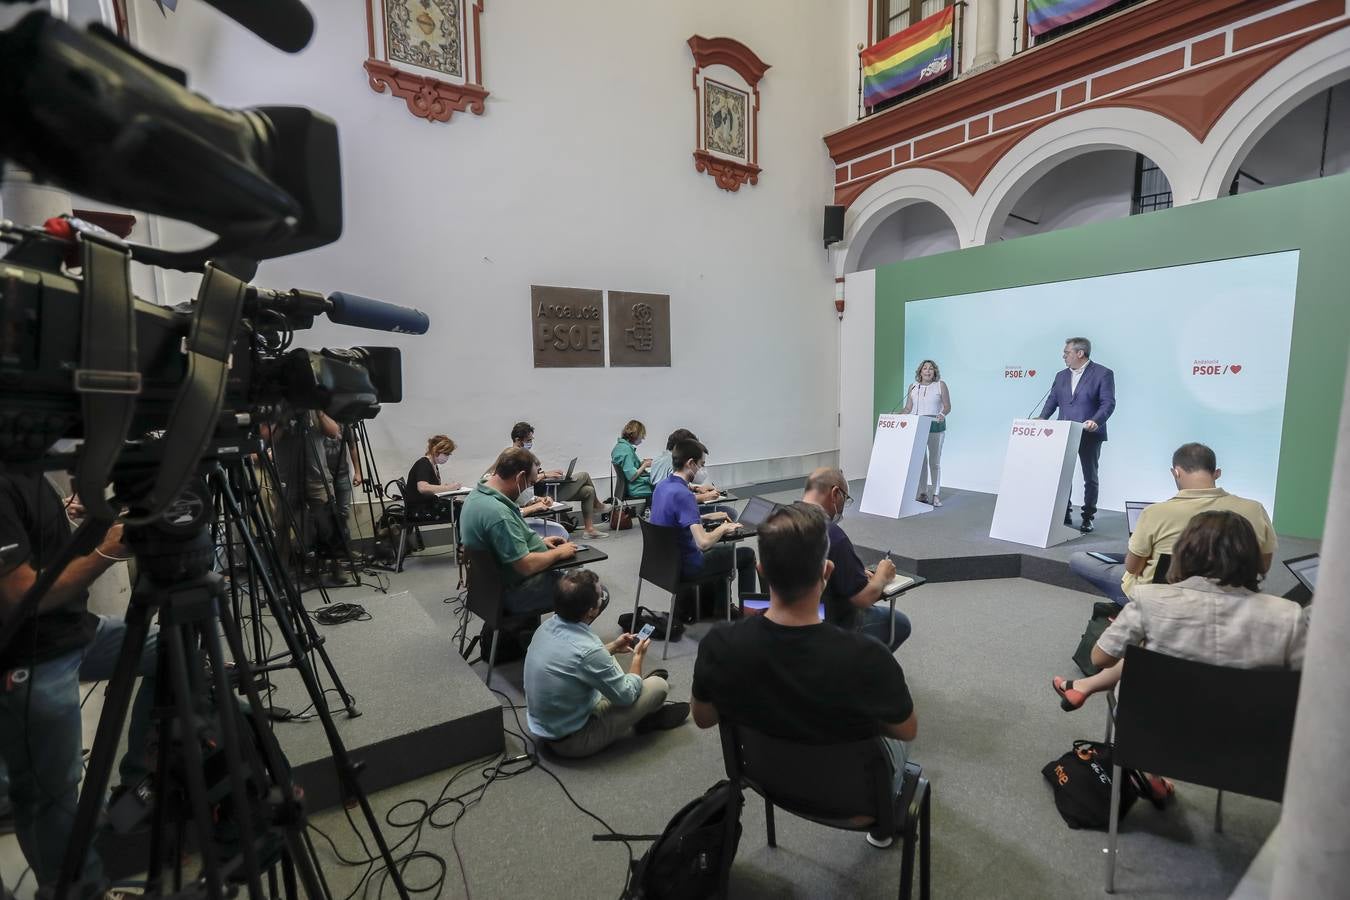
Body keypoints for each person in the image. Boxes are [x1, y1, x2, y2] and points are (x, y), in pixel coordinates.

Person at [690, 502, 918, 848]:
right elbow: (906, 728)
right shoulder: (867, 657)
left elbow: (704, 718)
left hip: (763, 780)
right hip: (856, 804)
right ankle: (882, 832)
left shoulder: (719, 645)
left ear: (762, 570)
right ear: (827, 572)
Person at [0, 472, 159, 897]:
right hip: (30, 657)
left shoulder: (29, 464)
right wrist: (106, 552)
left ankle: (134, 789)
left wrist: (91, 522)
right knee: (52, 794)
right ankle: (80, 889)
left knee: (174, 649)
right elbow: (19, 593)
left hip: (77, 629)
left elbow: (45, 546)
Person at [1052, 510, 1307, 712]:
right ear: (1253, 556)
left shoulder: (1149, 600)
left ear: (1184, 552)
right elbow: (1307, 686)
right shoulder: (1289, 616)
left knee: (1146, 652)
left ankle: (1144, 773)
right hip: (1250, 741)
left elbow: (1099, 659)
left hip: (1152, 727)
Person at [1069, 443, 1277, 605]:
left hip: (1161, 598)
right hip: (1232, 596)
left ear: (1176, 472)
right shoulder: (1254, 509)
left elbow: (1132, 568)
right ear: (1217, 473)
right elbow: (1262, 566)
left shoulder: (1155, 513)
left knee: (1081, 558)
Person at [524, 569, 688, 757]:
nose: (603, 595)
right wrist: (638, 658)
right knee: (658, 686)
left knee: (611, 678)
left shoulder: (545, 628)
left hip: (548, 727)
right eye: (600, 595)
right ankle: (644, 716)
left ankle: (638, 691)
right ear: (591, 611)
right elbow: (626, 696)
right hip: (573, 741)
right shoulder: (589, 650)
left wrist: (610, 647)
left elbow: (574, 660)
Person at [459, 447, 579, 615]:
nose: (527, 489)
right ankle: (559, 639)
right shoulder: (498, 514)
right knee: (592, 593)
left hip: (487, 590)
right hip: (514, 592)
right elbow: (526, 565)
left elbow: (500, 547)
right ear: (520, 477)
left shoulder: (476, 497)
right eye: (529, 483)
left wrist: (539, 543)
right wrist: (559, 553)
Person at [802, 468, 911, 651]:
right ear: (835, 493)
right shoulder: (833, 537)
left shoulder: (782, 519)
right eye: (845, 499)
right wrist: (882, 575)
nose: (843, 506)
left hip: (787, 614)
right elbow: (862, 598)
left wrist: (854, 573)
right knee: (900, 624)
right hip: (827, 621)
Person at [650, 438, 759, 616]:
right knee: (746, 554)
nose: (702, 470)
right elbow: (703, 543)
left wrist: (705, 517)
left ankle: (722, 608)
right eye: (701, 465)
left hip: (662, 564)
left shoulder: (662, 487)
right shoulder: (684, 494)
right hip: (686, 566)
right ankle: (749, 616)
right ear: (690, 463)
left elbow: (672, 519)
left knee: (723, 551)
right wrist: (722, 528)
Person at [1040, 337, 1115, 533]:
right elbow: (1052, 399)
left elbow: (1108, 403)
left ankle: (1088, 516)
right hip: (1063, 433)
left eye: (1067, 352)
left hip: (1089, 433)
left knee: (1090, 477)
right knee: (1063, 476)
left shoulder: (1103, 373)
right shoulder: (1060, 375)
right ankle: (1063, 511)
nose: (1063, 356)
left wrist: (1095, 421)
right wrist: (1042, 418)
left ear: (1080, 353)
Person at [509, 422, 605, 539]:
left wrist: (547, 474)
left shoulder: (524, 454)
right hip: (542, 493)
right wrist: (544, 475)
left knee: (588, 491)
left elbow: (534, 474)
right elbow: (526, 479)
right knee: (584, 475)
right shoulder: (515, 457)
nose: (531, 443)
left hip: (542, 490)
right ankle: (598, 505)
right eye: (528, 440)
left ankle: (589, 530)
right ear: (518, 440)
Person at [900, 359, 951, 506]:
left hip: (936, 427)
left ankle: (935, 494)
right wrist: (897, 415)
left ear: (934, 372)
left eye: (931, 369)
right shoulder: (913, 387)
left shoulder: (940, 385)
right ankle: (922, 493)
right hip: (917, 428)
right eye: (925, 368)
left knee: (934, 462)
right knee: (921, 462)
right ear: (920, 372)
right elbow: (908, 408)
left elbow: (947, 406)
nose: (928, 371)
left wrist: (942, 414)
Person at [650, 428, 722, 505]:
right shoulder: (674, 463)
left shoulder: (657, 460)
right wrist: (705, 496)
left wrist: (696, 488)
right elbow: (676, 499)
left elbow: (674, 487)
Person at [405, 434, 464, 518]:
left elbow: (431, 488)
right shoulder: (423, 463)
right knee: (463, 509)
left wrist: (446, 489)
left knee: (463, 506)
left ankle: (462, 531)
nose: (447, 457)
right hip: (421, 509)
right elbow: (423, 488)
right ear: (436, 451)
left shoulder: (433, 465)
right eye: (446, 454)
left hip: (427, 504)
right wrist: (449, 488)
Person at [610, 419, 654, 502]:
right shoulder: (626, 450)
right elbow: (631, 476)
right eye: (642, 435)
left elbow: (627, 467)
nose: (643, 438)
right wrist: (645, 465)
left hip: (625, 487)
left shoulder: (619, 447)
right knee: (663, 486)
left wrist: (641, 463)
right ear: (635, 435)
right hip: (636, 488)